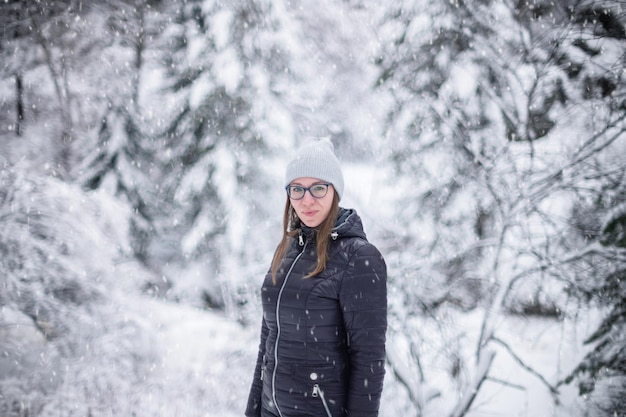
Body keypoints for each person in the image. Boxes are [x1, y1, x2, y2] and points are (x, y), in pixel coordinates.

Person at [245, 138, 387, 417]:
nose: (306, 200)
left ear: (335, 191)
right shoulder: (288, 250)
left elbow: (369, 360)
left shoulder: (358, 257)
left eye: (318, 188)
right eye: (297, 189)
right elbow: (267, 344)